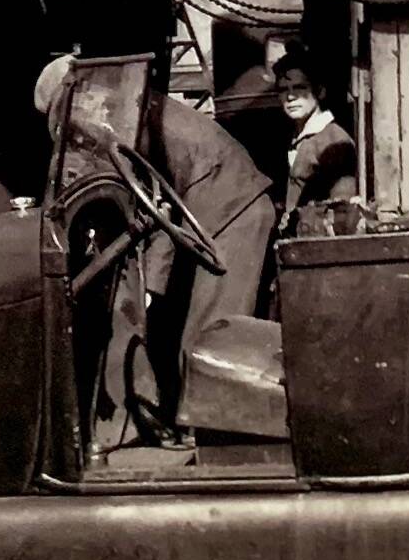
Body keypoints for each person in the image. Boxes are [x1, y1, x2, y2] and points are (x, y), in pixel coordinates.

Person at [34, 53, 276, 446]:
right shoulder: (129, 111)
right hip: (210, 212)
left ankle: (220, 446)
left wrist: (149, 289)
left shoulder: (127, 120)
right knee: (182, 332)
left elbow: (158, 207)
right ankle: (187, 428)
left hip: (234, 212)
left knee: (210, 340)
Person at [275, 59, 360, 236]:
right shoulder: (294, 138)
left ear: (319, 92)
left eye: (300, 88)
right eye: (283, 90)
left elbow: (342, 211)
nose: (290, 97)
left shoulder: (334, 142)